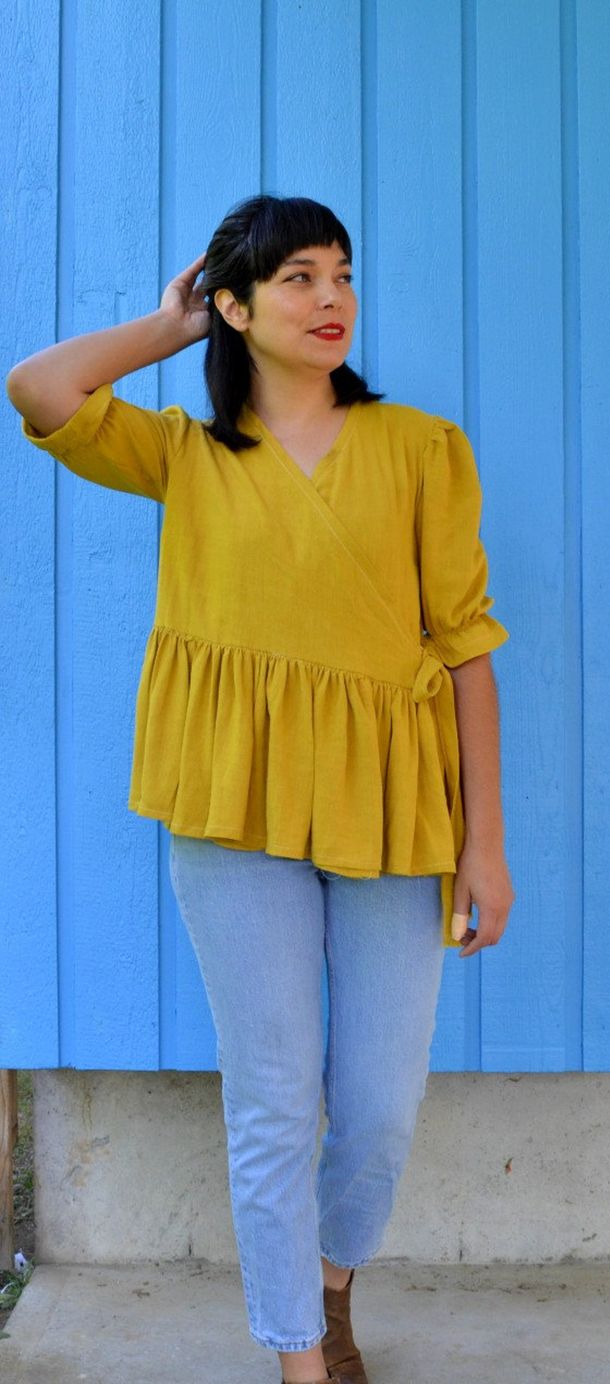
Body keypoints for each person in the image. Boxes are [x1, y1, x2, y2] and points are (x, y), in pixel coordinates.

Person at [6, 194, 516, 1383]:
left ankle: (333, 1281)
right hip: (231, 805)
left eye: (342, 273)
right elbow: (38, 390)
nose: (331, 297)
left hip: (394, 806)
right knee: (273, 1097)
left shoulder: (422, 449)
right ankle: (298, 1356)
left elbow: (467, 651)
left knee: (379, 1103)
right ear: (235, 304)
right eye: (295, 277)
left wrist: (484, 845)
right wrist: (165, 328)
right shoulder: (186, 455)